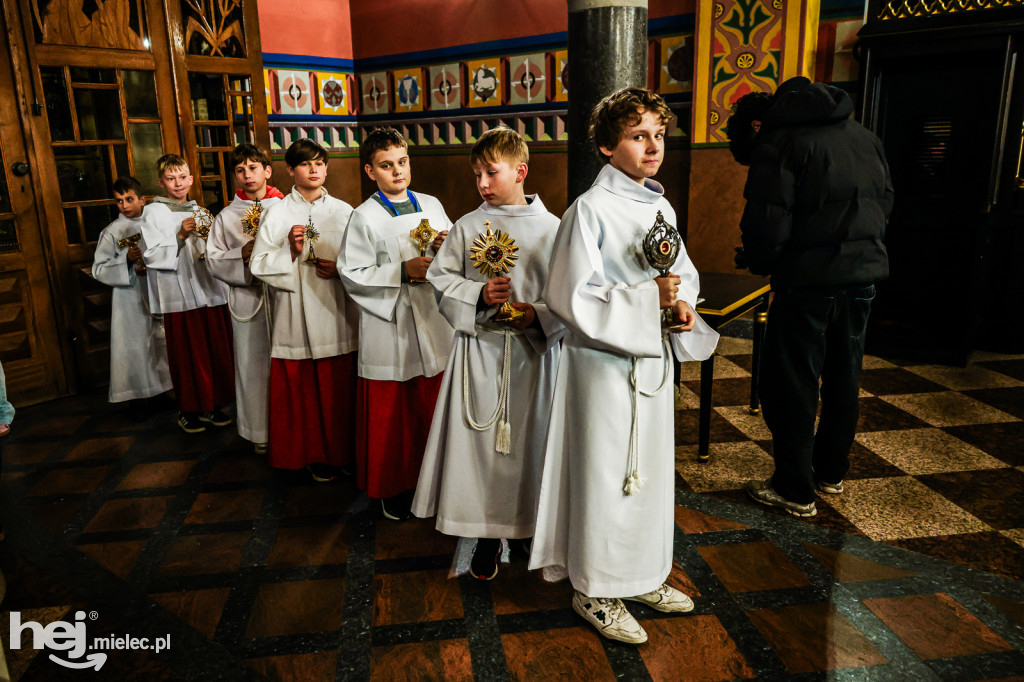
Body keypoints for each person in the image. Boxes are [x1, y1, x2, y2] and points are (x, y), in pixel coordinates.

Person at [529, 87, 719, 644]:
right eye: (639, 136)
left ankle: (641, 574)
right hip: (603, 365)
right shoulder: (589, 210)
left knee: (649, 471)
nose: (653, 146)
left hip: (650, 358)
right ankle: (594, 586)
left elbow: (680, 273)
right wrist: (646, 301)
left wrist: (681, 305)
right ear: (609, 147)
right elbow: (569, 297)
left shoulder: (660, 207)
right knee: (606, 471)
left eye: (659, 135)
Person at [726, 76, 893, 517]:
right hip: (863, 278)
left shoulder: (781, 142)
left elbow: (768, 220)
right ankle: (830, 472)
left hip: (807, 283)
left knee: (791, 384)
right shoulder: (864, 135)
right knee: (844, 376)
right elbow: (886, 202)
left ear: (758, 126)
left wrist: (760, 259)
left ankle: (793, 489)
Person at [411, 126, 563, 581]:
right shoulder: (467, 225)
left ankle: (525, 528)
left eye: (491, 173)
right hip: (479, 353)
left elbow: (568, 295)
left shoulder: (554, 230)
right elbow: (441, 278)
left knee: (529, 446)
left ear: (520, 170)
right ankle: (482, 534)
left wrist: (535, 315)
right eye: (477, 174)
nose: (481, 184)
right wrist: (478, 294)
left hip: (533, 357)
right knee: (479, 449)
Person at [338, 127, 454, 521]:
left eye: (402, 162)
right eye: (386, 166)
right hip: (391, 322)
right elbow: (351, 272)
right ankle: (393, 487)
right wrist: (401, 271)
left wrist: (443, 247)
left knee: (432, 401)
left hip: (433, 318)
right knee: (394, 411)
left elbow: (453, 248)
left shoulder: (433, 204)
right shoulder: (364, 216)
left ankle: (435, 479)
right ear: (371, 171)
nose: (397, 172)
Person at [249, 139, 359, 481]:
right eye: (306, 164)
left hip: (335, 308)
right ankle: (312, 452)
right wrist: (290, 253)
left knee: (338, 385)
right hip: (295, 311)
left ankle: (343, 451)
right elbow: (258, 264)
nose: (314, 170)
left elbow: (364, 261)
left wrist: (341, 268)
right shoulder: (276, 212)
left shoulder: (346, 212)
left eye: (320, 163)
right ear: (290, 170)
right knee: (304, 388)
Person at [140, 154, 234, 433]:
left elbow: (215, 248)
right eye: (171, 179)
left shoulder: (202, 211)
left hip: (207, 289)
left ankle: (212, 405)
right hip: (178, 294)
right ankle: (188, 409)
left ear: (191, 179)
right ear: (161, 182)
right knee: (186, 355)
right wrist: (180, 236)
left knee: (212, 351)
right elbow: (151, 254)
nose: (178, 184)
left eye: (182, 177)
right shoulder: (153, 212)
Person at [206, 144, 285, 455]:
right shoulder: (226, 216)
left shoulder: (285, 208)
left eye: (254, 168)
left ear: (267, 171)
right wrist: (242, 254)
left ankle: (288, 428)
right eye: (240, 170)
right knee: (252, 364)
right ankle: (259, 431)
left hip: (282, 296)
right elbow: (213, 260)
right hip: (247, 298)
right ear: (234, 176)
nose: (247, 174)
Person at [92, 176, 172, 413]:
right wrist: (124, 260)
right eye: (119, 201)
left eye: (129, 199)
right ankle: (137, 399)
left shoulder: (157, 223)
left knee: (159, 343)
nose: (124, 205)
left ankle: (161, 391)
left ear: (142, 200)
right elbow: (99, 268)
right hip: (130, 296)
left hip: (157, 289)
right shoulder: (112, 232)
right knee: (135, 346)